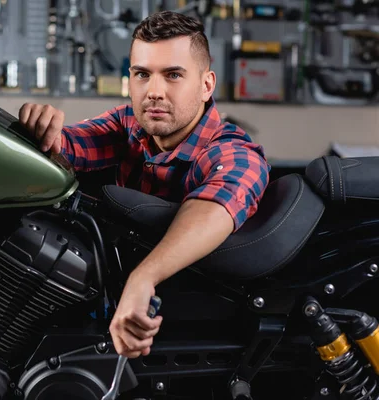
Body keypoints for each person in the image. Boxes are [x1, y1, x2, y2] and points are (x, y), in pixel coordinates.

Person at [18, 11, 270, 359]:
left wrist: (143, 279)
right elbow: (71, 144)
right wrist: (41, 129)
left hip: (189, 325)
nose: (153, 91)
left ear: (206, 85)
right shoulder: (130, 126)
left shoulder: (232, 151)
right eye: (142, 74)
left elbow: (216, 204)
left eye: (173, 75)